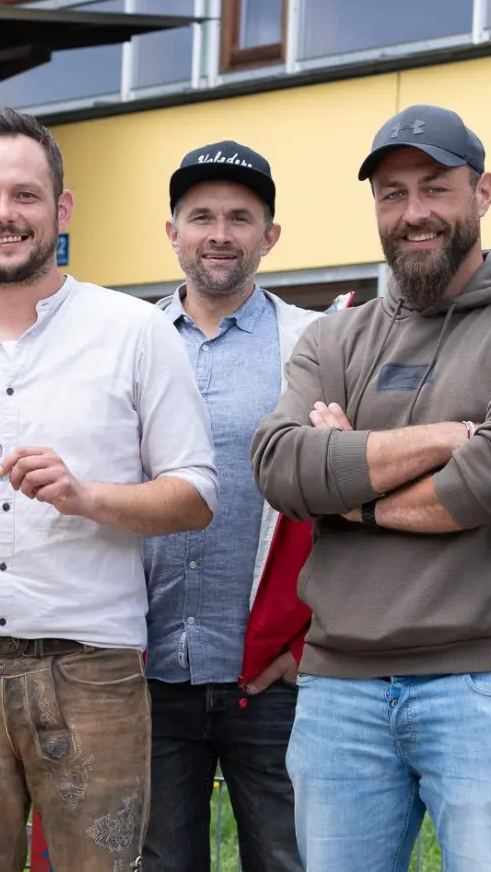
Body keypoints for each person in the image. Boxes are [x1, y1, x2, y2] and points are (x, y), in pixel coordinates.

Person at [250, 104, 491, 872]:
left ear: (483, 192)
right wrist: (444, 439)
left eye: (435, 188)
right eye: (392, 193)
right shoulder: (338, 335)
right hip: (341, 690)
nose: (414, 213)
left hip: (489, 687)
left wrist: (347, 481)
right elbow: (279, 463)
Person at [0, 108, 218, 871]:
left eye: (26, 196)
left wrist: (85, 495)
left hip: (90, 671)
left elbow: (196, 494)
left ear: (62, 209)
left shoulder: (135, 333)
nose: (7, 216)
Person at [143, 140, 322, 872]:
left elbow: (341, 501)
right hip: (147, 672)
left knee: (288, 860)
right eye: (202, 215)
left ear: (270, 236)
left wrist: (304, 647)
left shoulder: (314, 342)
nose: (220, 232)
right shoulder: (128, 340)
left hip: (268, 673)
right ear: (173, 231)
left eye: (241, 218)